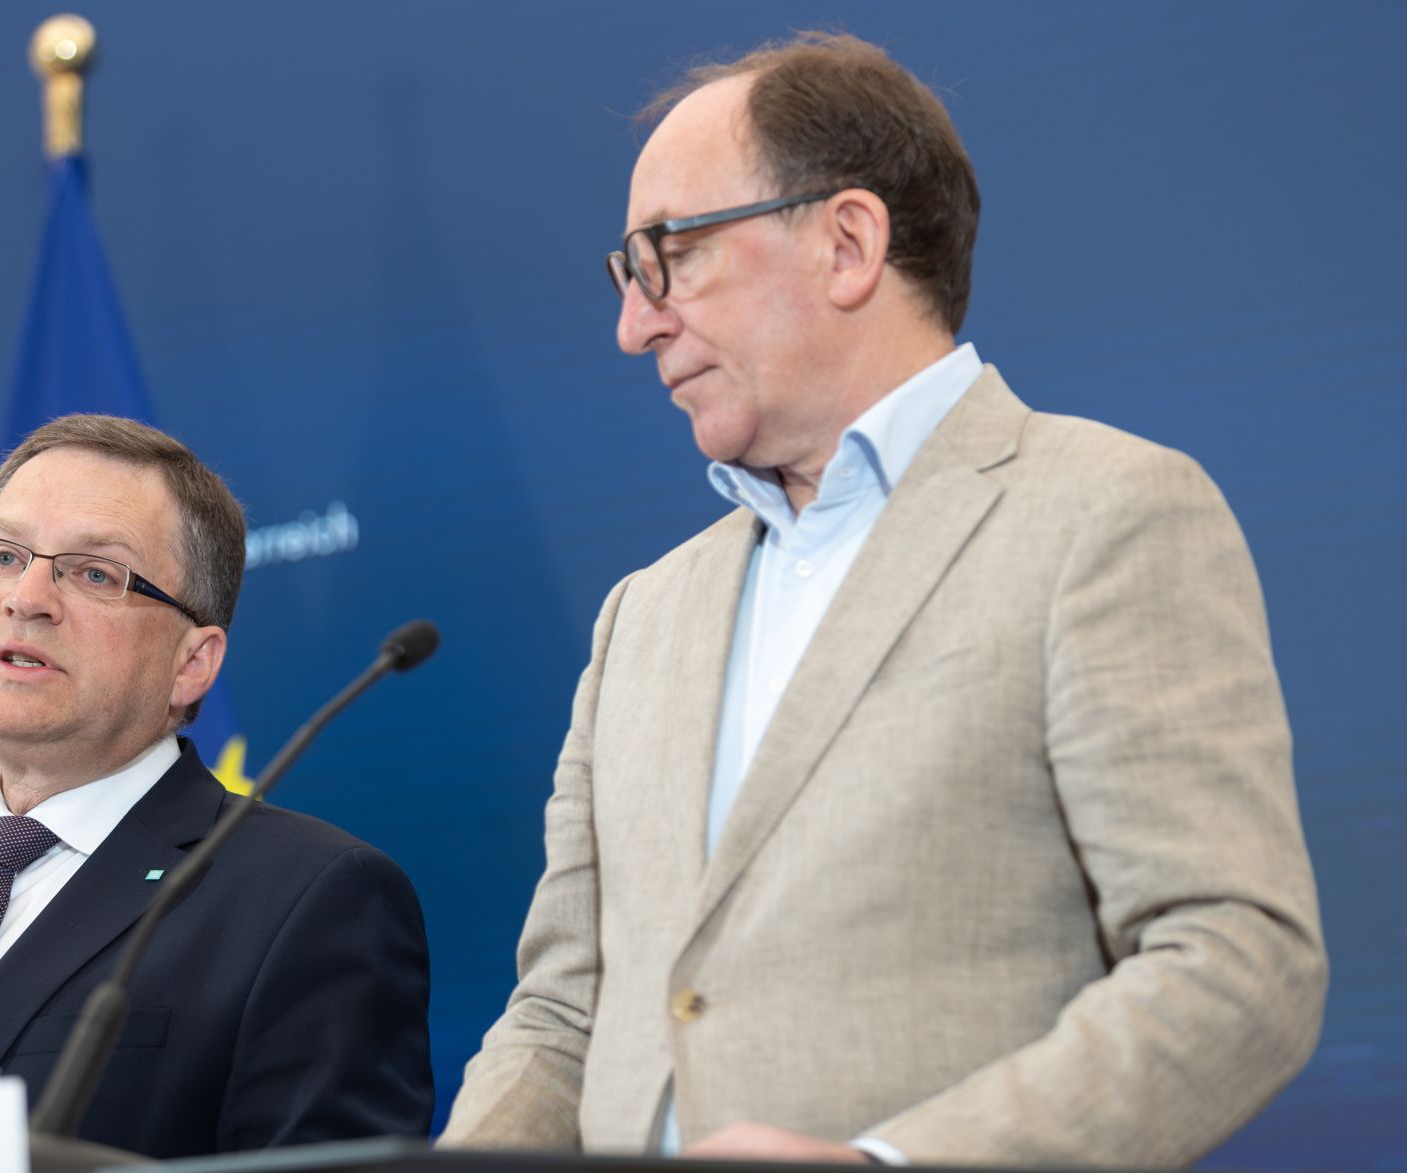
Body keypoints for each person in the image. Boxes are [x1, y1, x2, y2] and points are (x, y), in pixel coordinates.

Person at [441, 32, 1325, 1166]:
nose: (634, 326)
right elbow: (564, 1019)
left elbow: (1236, 963)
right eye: (625, 277)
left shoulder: (1103, 513)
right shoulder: (641, 618)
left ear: (847, 243)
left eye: (666, 255)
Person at [0, 414, 434, 1159]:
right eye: (5, 555)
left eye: (94, 572)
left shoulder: (306, 897)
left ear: (192, 663)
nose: (27, 596)